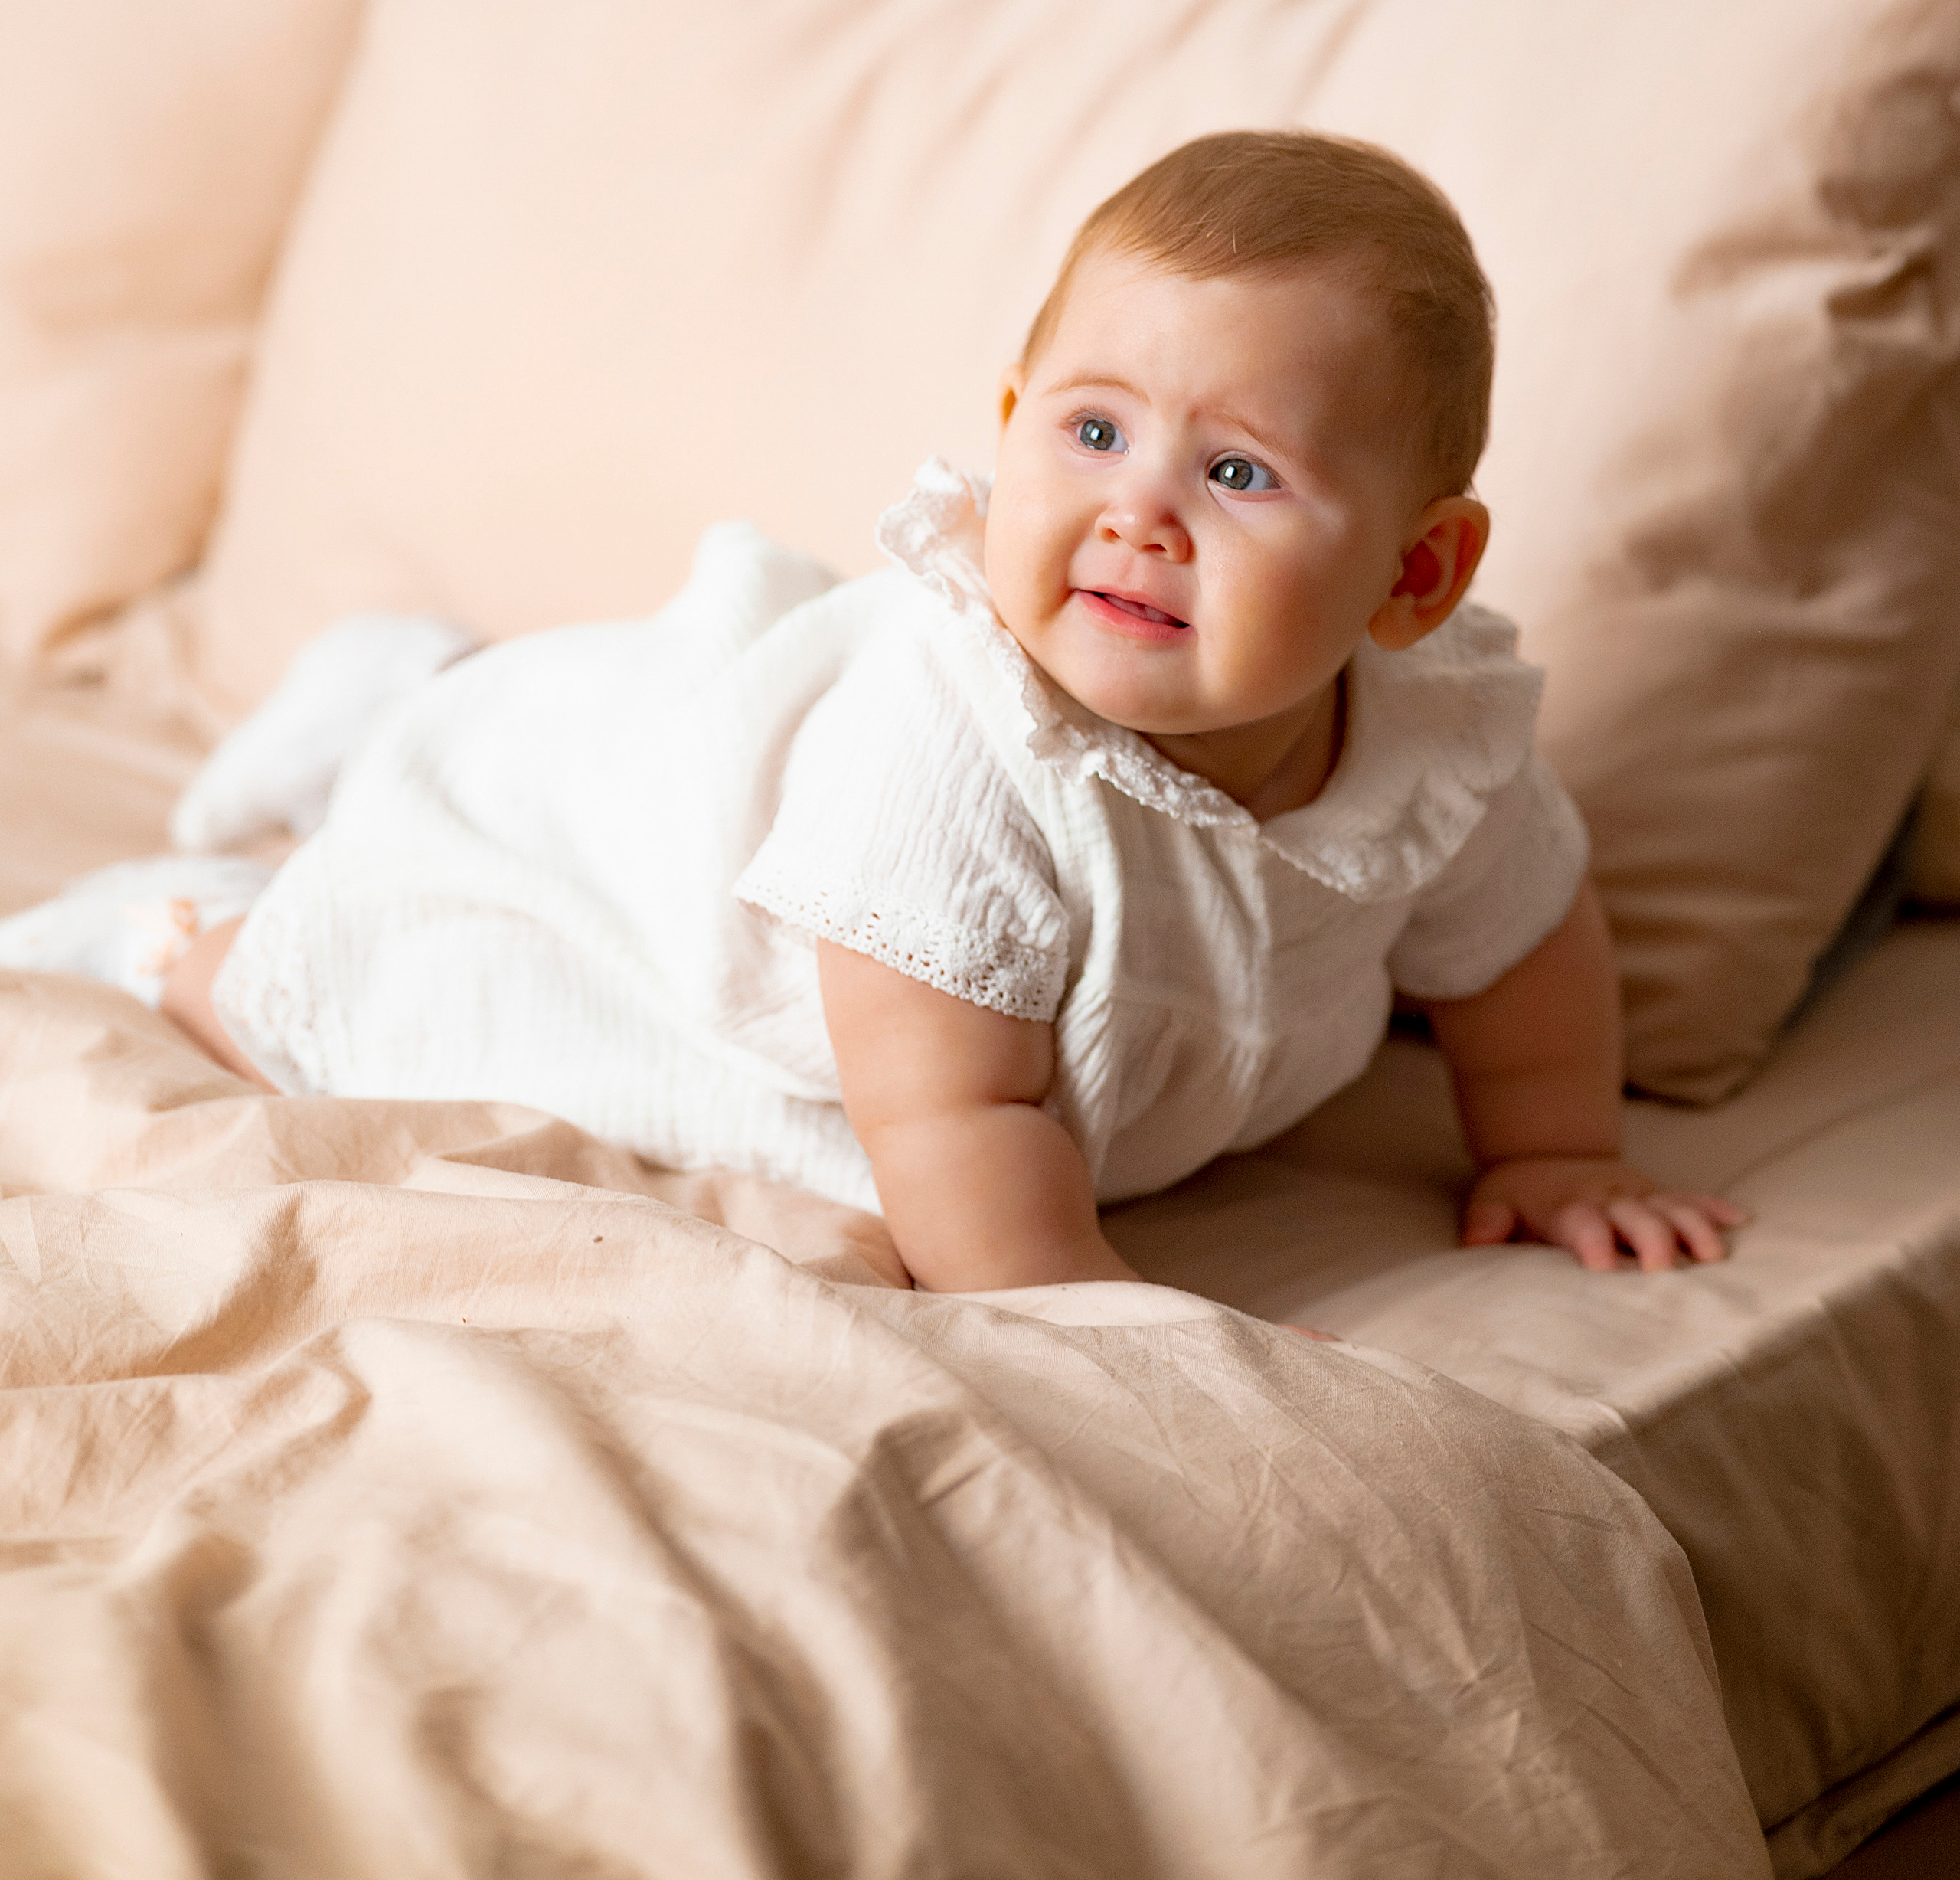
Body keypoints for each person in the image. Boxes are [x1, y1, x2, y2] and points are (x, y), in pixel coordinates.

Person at [5, 130, 1744, 1290]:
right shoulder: (959, 757)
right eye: (1089, 431)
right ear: (1004, 429)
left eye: (1235, 470)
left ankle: (405, 685)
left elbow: (1519, 939)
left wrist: (1558, 1147)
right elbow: (953, 1126)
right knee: (389, 997)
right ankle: (179, 921)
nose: (1138, 509)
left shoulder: (1433, 744)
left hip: (901, 970)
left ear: (1414, 577)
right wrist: (1088, 1334)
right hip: (659, 900)